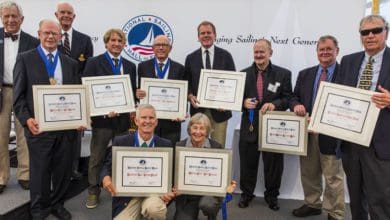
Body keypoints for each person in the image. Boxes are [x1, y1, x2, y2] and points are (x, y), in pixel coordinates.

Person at [13, 19, 80, 220]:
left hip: (65, 128)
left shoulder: (71, 63)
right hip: (38, 128)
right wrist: (27, 120)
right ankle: (39, 209)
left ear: (60, 37)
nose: (50, 37)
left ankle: (57, 204)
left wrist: (81, 117)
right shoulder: (25, 59)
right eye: (46, 33)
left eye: (54, 33)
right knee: (40, 172)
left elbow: (77, 94)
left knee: (62, 170)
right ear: (39, 34)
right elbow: (18, 96)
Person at [335, 14, 390, 220]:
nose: (370, 36)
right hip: (351, 142)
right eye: (365, 32)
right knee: (356, 199)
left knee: (381, 200)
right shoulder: (349, 61)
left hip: (380, 143)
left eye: (376, 30)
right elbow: (339, 96)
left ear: (386, 32)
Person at [289, 35, 344, 220]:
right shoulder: (305, 73)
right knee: (309, 171)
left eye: (329, 49)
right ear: (317, 52)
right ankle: (312, 204)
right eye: (321, 50)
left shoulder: (345, 74)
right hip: (308, 133)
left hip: (332, 134)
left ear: (337, 51)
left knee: (332, 177)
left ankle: (334, 212)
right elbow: (294, 96)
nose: (325, 53)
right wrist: (296, 105)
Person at [83, 28, 136, 209]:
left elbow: (131, 93)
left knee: (120, 156)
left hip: (122, 121)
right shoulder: (93, 62)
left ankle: (119, 189)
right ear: (106, 43)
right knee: (96, 157)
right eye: (113, 40)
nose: (116, 43)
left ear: (124, 44)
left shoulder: (130, 66)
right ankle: (92, 191)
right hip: (102, 121)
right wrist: (101, 110)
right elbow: (87, 91)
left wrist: (137, 95)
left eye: (120, 41)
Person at [238, 39, 292, 211]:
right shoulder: (243, 74)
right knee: (247, 164)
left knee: (274, 165)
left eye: (262, 51)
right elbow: (234, 99)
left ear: (270, 53)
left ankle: (272, 196)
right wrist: (243, 103)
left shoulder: (283, 74)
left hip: (274, 129)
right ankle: (246, 194)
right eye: (256, 52)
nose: (259, 55)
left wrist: (275, 104)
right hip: (250, 127)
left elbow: (288, 98)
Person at [100, 104, 175, 220]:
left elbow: (171, 174)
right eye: (143, 117)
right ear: (136, 120)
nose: (147, 121)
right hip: (129, 195)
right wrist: (105, 177)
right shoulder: (121, 141)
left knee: (155, 211)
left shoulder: (166, 144)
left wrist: (170, 191)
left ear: (156, 122)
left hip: (154, 193)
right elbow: (107, 166)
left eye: (151, 118)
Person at [0, 1, 39, 194]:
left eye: (14, 16)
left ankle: (25, 174)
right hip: (2, 91)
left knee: (25, 134)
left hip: (24, 92)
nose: (10, 20)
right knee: (0, 135)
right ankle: (1, 176)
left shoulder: (33, 41)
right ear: (1, 18)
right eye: (6, 16)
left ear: (21, 19)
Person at [55, 1, 93, 180]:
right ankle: (56, 170)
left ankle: (73, 169)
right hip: (53, 96)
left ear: (74, 17)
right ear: (56, 15)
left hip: (78, 96)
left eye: (69, 13)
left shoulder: (84, 40)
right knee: (55, 133)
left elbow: (89, 68)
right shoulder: (51, 37)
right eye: (62, 12)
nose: (66, 16)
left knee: (75, 134)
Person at [174, 112, 235, 220]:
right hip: (187, 195)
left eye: (202, 128)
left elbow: (222, 174)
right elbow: (174, 173)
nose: (198, 132)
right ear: (189, 129)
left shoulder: (216, 147)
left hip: (209, 193)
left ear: (207, 131)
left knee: (208, 205)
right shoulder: (179, 146)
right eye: (195, 128)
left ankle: (212, 216)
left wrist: (228, 184)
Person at [185, 21, 235, 147]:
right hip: (198, 112)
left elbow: (233, 82)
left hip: (220, 113)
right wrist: (190, 96)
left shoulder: (226, 56)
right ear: (198, 37)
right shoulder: (190, 58)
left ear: (215, 35)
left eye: (209, 33)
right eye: (203, 33)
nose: (206, 35)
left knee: (218, 148)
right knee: (197, 147)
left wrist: (227, 102)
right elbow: (187, 83)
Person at [136, 35, 185, 144]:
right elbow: (139, 89)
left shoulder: (180, 68)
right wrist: (137, 93)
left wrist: (181, 113)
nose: (161, 48)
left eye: (164, 45)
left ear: (170, 48)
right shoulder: (142, 66)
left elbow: (183, 93)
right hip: (149, 121)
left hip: (171, 123)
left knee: (170, 153)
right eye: (158, 45)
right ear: (153, 48)